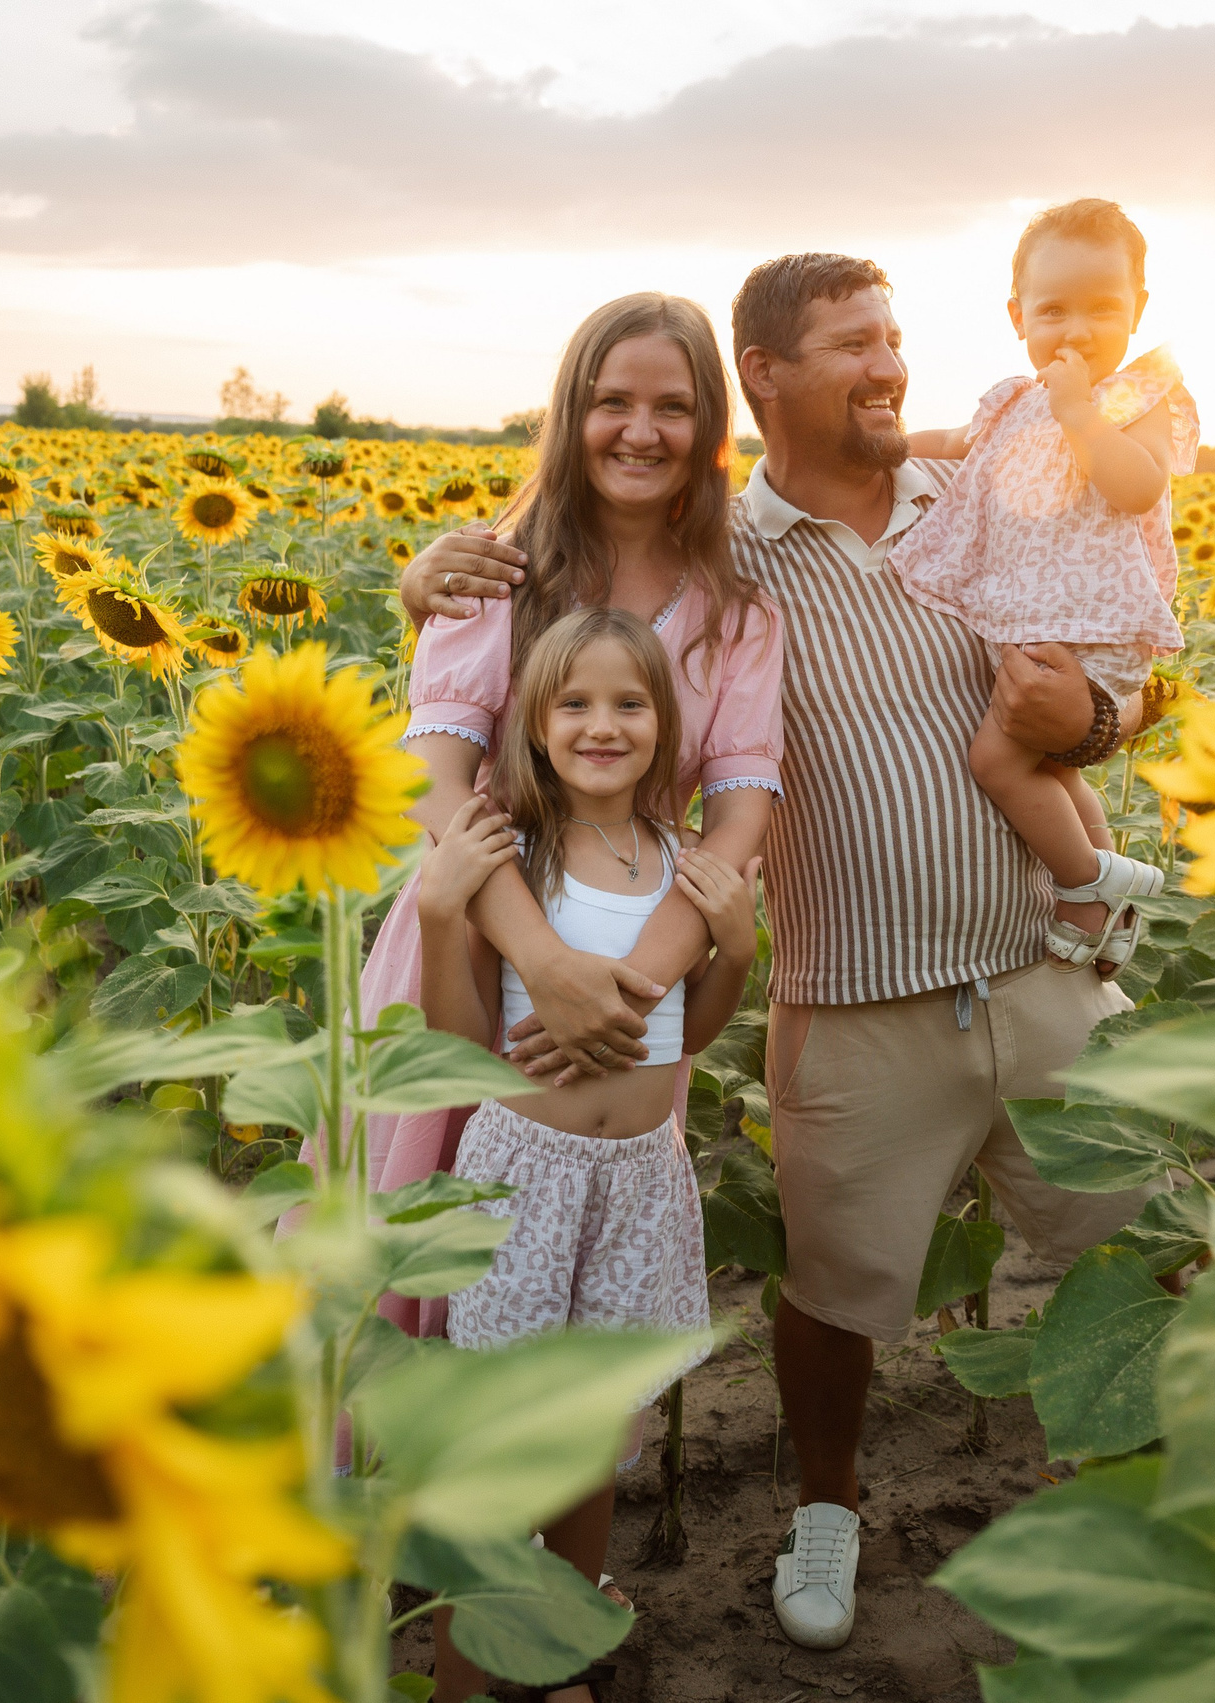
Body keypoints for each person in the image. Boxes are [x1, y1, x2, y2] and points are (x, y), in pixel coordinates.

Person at [400, 253, 1154, 1654]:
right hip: (853, 980)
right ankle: (822, 1508)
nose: (890, 366)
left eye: (894, 338)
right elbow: (573, 604)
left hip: (1039, 957)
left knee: (1143, 1237)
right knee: (829, 1280)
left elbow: (1121, 633)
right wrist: (419, 575)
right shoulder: (723, 566)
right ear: (762, 376)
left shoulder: (986, 493)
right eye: (853, 344)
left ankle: (1152, 1515)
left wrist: (1103, 720)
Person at [356, 290, 783, 1340]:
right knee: (420, 1257)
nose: (641, 430)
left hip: (638, 963)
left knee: (588, 1295)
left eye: (673, 406)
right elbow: (433, 776)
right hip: (473, 937)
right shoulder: (495, 570)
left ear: (709, 426)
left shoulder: (737, 613)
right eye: (612, 402)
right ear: (570, 411)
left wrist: (628, 984)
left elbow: (739, 814)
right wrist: (542, 958)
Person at [416, 605, 760, 1703]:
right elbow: (459, 1041)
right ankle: (464, 1685)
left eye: (628, 703)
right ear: (534, 720)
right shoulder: (511, 855)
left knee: (591, 1445)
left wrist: (736, 947)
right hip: (524, 1177)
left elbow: (690, 1036)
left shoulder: (682, 865)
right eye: (574, 702)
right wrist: (439, 914)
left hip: (640, 1183)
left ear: (665, 724)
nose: (601, 725)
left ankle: (560, 1658)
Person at [894, 198, 1197, 973]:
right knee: (1050, 770)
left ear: (1138, 310)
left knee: (996, 763)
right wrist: (888, 447)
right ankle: (1112, 901)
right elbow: (955, 443)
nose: (1077, 330)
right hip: (1042, 623)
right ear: (1018, 317)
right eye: (1054, 309)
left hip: (1093, 628)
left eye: (1102, 308)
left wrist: (1080, 417)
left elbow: (1137, 487)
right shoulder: (1012, 400)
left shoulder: (1136, 397)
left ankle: (1083, 887)